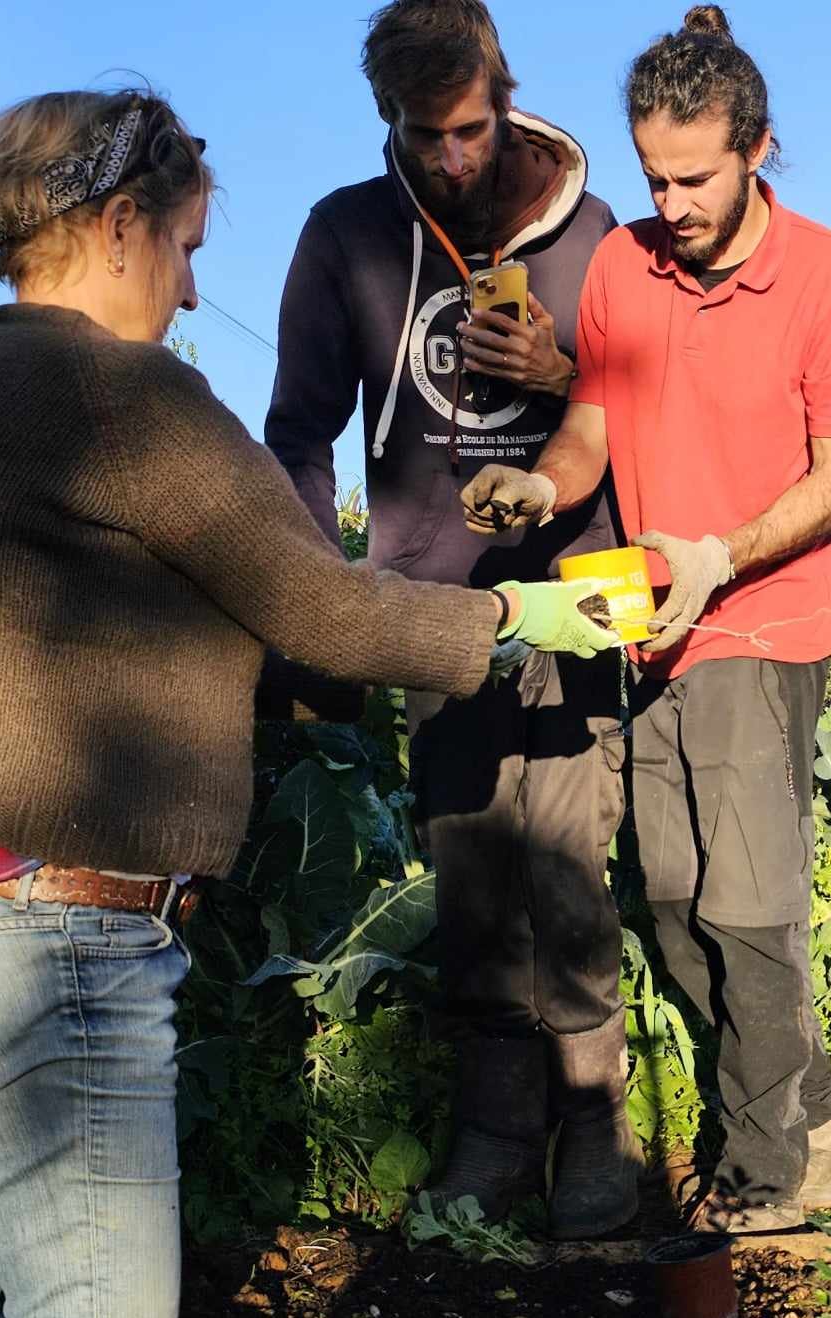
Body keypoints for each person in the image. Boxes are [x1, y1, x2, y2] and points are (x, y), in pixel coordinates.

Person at [0, 87, 613, 1318]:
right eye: (189, 248)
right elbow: (321, 605)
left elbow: (192, 628)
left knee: (59, 1285)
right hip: (50, 948)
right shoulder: (119, 392)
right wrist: (515, 618)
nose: (194, 293)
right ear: (120, 226)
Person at [461, 4, 831, 1232]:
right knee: (670, 903)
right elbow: (594, 424)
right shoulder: (620, 265)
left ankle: (769, 1175)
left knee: (744, 909)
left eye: (694, 176)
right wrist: (542, 484)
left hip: (763, 626)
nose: (674, 200)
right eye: (654, 175)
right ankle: (804, 1125)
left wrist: (719, 553)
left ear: (755, 147)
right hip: (649, 631)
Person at [264, 0, 633, 1240]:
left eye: (470, 130)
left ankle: (594, 1123)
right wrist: (323, 593)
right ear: (389, 123)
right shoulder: (345, 236)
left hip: (577, 599)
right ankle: (493, 1129)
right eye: (425, 138)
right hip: (426, 605)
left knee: (570, 866)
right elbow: (296, 432)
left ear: (505, 96)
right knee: (472, 870)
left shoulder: (600, 242)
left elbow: (663, 409)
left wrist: (566, 378)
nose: (454, 160)